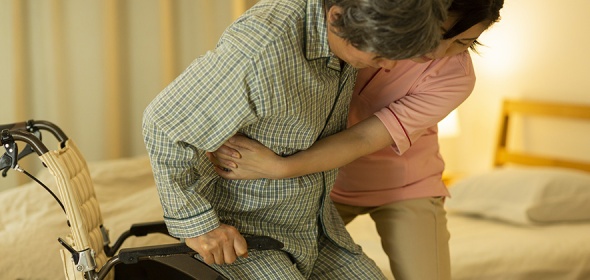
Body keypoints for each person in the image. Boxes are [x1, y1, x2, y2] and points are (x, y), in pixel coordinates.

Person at [142, 0, 450, 279]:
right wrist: (200, 227)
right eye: (381, 54)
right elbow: (163, 125)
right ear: (337, 17)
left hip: (314, 228)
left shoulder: (351, 30)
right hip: (247, 236)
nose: (389, 66)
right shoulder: (263, 50)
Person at [208, 0, 504, 279]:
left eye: (464, 43)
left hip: (404, 185)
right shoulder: (367, 30)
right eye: (441, 35)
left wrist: (280, 167)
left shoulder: (455, 77)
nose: (440, 52)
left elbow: (364, 137)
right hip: (323, 181)